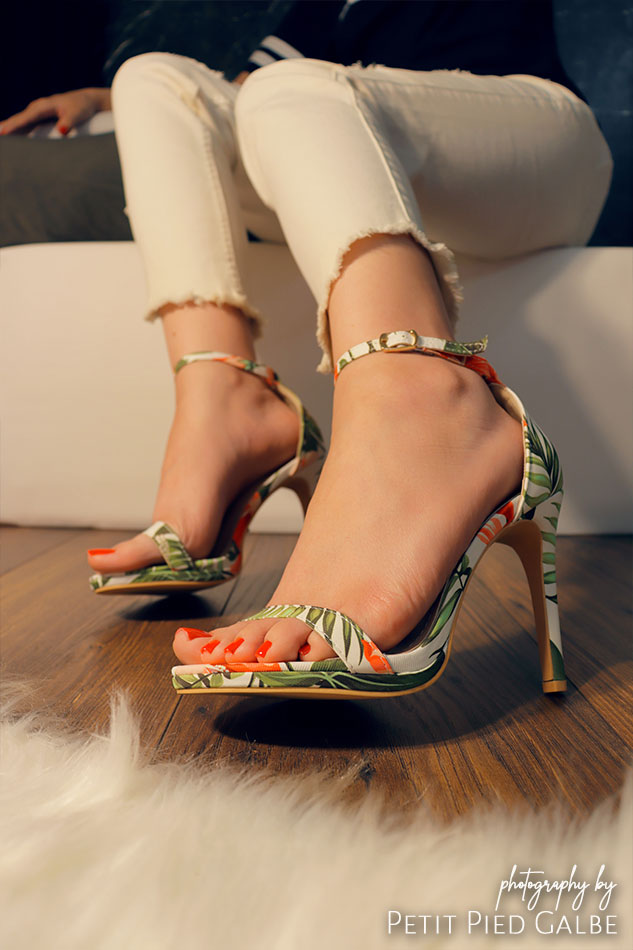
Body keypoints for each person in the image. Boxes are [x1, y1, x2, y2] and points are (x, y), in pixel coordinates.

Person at [7, 1, 613, 693]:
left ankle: (427, 398)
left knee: (291, 87)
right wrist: (107, 97)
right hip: (347, 151)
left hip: (524, 148)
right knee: (155, 78)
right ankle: (225, 399)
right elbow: (236, 88)